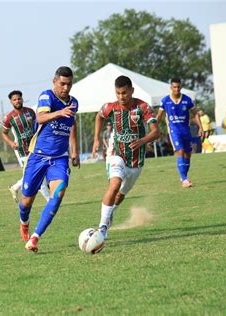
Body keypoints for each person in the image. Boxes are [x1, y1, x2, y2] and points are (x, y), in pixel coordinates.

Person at [19, 66, 80, 253]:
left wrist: (75, 150)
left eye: (69, 84)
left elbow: (71, 124)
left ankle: (35, 238)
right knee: (27, 201)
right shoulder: (47, 96)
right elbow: (41, 116)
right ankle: (24, 222)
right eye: (62, 84)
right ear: (54, 82)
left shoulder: (74, 103)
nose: (66, 88)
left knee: (59, 193)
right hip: (37, 156)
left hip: (59, 158)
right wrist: (59, 113)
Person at [92, 75, 160, 239]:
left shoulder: (143, 107)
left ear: (132, 91)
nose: (121, 97)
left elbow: (157, 132)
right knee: (114, 184)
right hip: (116, 153)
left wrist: (142, 141)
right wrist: (96, 139)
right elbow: (99, 116)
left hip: (136, 160)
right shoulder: (111, 107)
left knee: (121, 193)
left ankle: (111, 212)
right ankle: (102, 228)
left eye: (124, 93)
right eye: (118, 93)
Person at [2, 90, 50, 203]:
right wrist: (11, 143)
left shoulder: (30, 112)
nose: (17, 101)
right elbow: (4, 133)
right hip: (22, 151)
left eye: (19, 98)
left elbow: (37, 126)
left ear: (22, 99)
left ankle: (15, 187)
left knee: (34, 173)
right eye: (14, 99)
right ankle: (50, 201)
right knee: (35, 174)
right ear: (11, 102)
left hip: (35, 147)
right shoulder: (9, 117)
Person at [157, 78, 203, 188]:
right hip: (174, 130)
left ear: (181, 87)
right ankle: (184, 179)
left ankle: (184, 176)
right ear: (171, 88)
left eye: (178, 87)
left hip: (185, 130)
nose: (176, 89)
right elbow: (159, 116)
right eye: (174, 87)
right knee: (180, 151)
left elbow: (195, 114)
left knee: (188, 155)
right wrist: (155, 128)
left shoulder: (187, 100)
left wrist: (200, 127)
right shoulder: (165, 101)